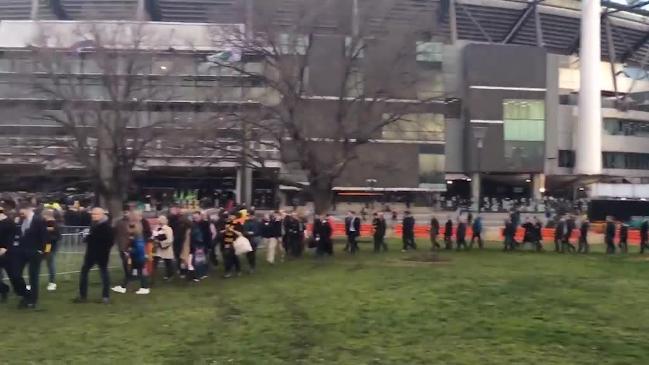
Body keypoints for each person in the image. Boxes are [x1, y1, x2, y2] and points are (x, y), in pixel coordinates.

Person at [10, 204, 48, 308]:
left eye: (22, 212)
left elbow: (46, 239)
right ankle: (26, 294)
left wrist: (45, 253)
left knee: (33, 277)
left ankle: (33, 300)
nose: (20, 214)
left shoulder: (39, 220)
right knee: (15, 274)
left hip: (35, 253)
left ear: (28, 209)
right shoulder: (21, 220)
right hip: (20, 253)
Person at [75, 208, 114, 304]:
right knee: (84, 272)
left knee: (104, 274)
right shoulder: (93, 225)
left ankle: (105, 296)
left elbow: (110, 241)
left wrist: (102, 248)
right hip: (91, 254)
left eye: (96, 214)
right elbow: (91, 238)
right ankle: (83, 296)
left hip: (101, 254)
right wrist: (87, 238)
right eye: (92, 214)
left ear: (102, 214)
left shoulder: (106, 226)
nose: (93, 216)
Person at [112, 211, 150, 295]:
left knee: (139, 269)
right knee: (133, 270)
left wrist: (129, 251)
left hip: (137, 251)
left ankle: (144, 287)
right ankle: (124, 287)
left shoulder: (136, 227)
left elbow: (133, 237)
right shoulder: (138, 225)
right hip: (137, 250)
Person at [167, 205, 191, 276]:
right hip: (175, 239)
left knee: (183, 256)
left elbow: (189, 225)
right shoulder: (171, 218)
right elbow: (170, 221)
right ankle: (180, 269)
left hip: (183, 240)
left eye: (176, 209)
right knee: (177, 255)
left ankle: (184, 270)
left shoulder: (183, 219)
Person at [43, 210, 61, 291]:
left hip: (50, 246)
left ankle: (52, 282)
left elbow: (56, 236)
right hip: (47, 246)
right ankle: (51, 282)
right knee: (48, 263)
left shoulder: (52, 223)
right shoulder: (49, 223)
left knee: (50, 263)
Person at [0, 207, 15, 303]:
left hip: (7, 253)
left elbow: (12, 237)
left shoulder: (9, 223)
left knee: (13, 274)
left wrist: (5, 248)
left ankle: (22, 291)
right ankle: (4, 290)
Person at [152, 215, 174, 280]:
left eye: (160, 220)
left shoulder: (168, 229)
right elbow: (153, 236)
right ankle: (152, 275)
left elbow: (169, 240)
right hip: (157, 249)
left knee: (168, 262)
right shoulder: (156, 228)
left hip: (166, 248)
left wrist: (161, 243)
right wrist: (154, 239)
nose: (159, 221)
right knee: (154, 261)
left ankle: (170, 275)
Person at [189, 211, 209, 281]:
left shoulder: (205, 224)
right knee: (197, 261)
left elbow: (208, 235)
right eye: (194, 217)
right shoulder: (192, 225)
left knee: (201, 261)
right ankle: (199, 275)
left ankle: (201, 274)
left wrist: (208, 245)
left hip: (201, 244)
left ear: (200, 216)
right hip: (196, 245)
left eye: (196, 217)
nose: (195, 218)